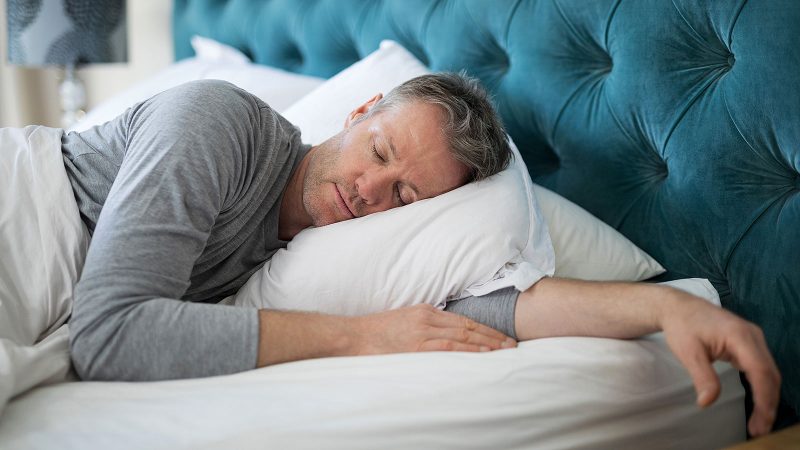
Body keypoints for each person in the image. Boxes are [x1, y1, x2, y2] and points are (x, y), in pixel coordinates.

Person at [62, 73, 779, 437]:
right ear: (358, 110)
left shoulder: (310, 257)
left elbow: (493, 307)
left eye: (406, 195)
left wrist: (663, 304)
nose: (369, 191)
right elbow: (110, 334)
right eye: (378, 150)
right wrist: (361, 338)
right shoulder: (218, 123)